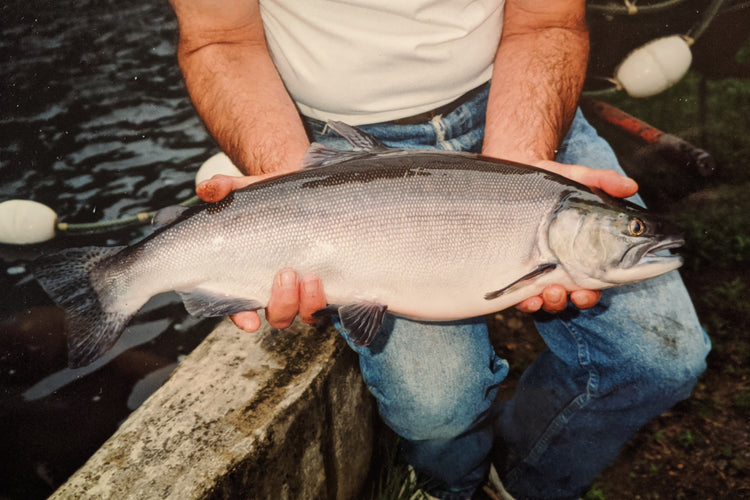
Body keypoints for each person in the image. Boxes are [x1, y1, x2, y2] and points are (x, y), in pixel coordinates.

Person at [167, 1, 711, 498]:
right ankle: (447, 490)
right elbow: (219, 39)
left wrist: (516, 169)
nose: (646, 238)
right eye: (635, 233)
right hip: (333, 151)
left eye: (633, 233)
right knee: (437, 408)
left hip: (520, 101)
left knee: (661, 359)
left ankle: (512, 486)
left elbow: (548, 20)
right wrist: (289, 192)